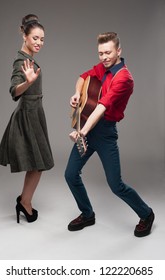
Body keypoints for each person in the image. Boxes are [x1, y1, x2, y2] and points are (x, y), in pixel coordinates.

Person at [65, 32, 154, 237]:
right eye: (100, 53)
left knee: (116, 185)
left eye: (108, 53)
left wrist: (83, 131)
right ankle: (87, 214)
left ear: (118, 51)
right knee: (70, 175)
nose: (104, 57)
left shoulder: (124, 78)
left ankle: (146, 214)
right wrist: (78, 93)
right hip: (88, 127)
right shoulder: (102, 68)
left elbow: (103, 106)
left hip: (104, 133)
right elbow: (83, 77)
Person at [0, 14, 54, 223]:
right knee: (38, 163)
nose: (39, 43)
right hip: (27, 116)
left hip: (35, 114)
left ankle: (24, 201)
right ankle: (25, 203)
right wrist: (27, 83)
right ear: (25, 36)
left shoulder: (30, 59)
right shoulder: (21, 60)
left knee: (38, 164)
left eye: (42, 39)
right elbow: (14, 91)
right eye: (35, 38)